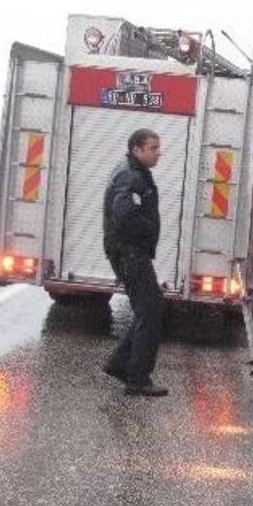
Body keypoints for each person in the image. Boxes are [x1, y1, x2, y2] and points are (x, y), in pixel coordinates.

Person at [101, 128, 168, 397]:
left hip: (130, 252)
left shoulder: (134, 171)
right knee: (151, 312)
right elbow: (123, 214)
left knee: (149, 309)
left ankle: (121, 364)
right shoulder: (130, 175)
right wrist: (146, 230)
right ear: (137, 149)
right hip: (130, 252)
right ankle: (137, 379)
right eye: (153, 148)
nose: (158, 152)